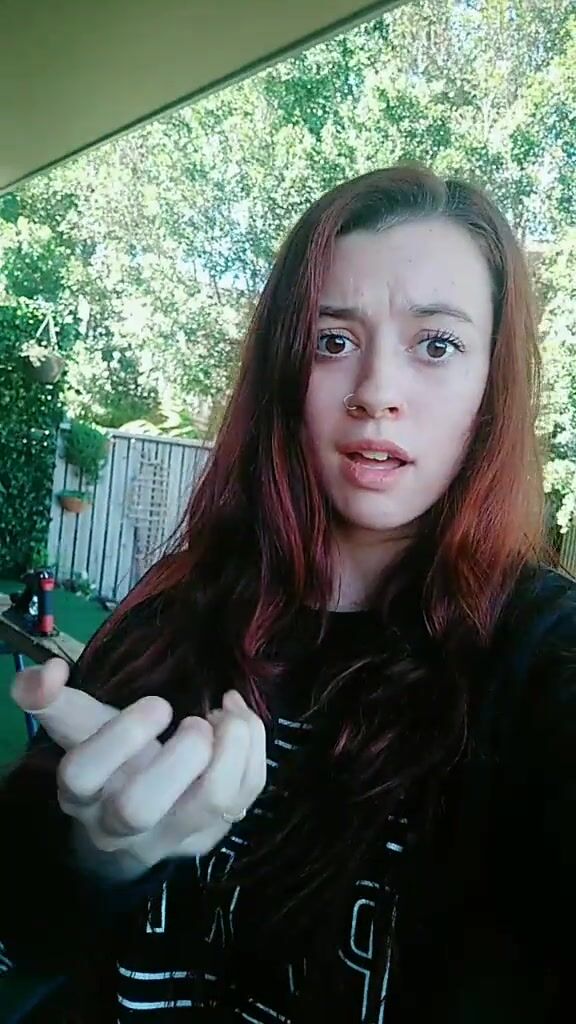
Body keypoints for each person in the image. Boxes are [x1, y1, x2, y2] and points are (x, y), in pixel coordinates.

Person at [0, 164, 574, 1023]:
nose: (376, 394)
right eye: (332, 341)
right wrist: (100, 854)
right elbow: (20, 932)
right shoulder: (168, 613)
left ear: (493, 384)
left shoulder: (541, 657)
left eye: (436, 344)